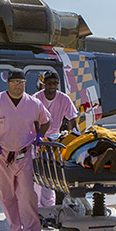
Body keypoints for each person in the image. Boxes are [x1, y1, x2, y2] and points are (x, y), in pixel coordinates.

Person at [0, 68, 51, 231]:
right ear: (8, 83)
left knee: (27, 194)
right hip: (0, 154)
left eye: (21, 82)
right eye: (14, 82)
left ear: (26, 83)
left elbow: (46, 120)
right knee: (6, 195)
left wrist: (40, 135)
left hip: (24, 154)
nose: (18, 86)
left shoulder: (34, 103)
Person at [32, 71, 79, 208]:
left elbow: (72, 119)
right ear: (43, 84)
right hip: (37, 139)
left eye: (55, 83)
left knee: (50, 173)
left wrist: (74, 136)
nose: (52, 86)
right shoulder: (36, 99)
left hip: (54, 140)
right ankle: (36, 208)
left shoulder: (64, 99)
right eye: (49, 83)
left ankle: (49, 207)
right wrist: (37, 136)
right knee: (37, 174)